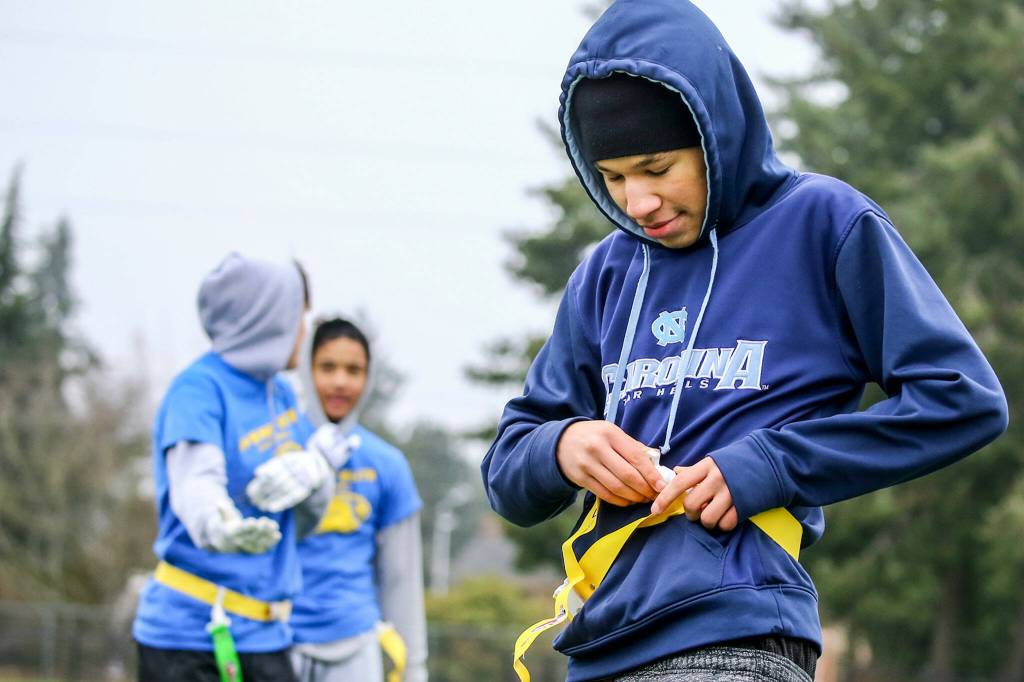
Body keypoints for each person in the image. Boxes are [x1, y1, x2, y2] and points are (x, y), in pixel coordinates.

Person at [480, 2, 1009, 681]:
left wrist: (775, 463)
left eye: (657, 166)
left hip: (737, 637)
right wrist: (562, 446)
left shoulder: (824, 223)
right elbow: (507, 475)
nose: (637, 202)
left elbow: (963, 399)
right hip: (599, 644)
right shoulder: (605, 275)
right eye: (613, 178)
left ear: (715, 136)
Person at [133, 253, 337, 682]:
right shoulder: (199, 389)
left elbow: (304, 519)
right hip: (191, 638)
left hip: (266, 633)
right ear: (268, 318)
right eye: (299, 316)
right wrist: (219, 523)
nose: (304, 331)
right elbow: (195, 482)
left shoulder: (280, 393)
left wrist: (318, 474)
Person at [289, 316, 428, 682]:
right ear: (306, 370)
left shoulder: (388, 464)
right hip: (275, 642)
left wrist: (413, 667)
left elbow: (402, 576)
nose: (340, 381)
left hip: (356, 646)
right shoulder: (277, 448)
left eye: (354, 370)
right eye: (327, 367)